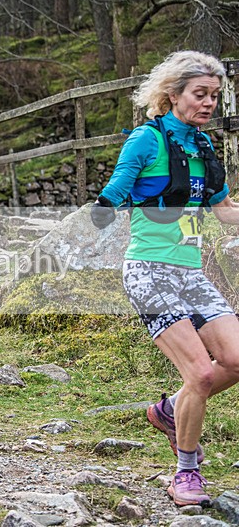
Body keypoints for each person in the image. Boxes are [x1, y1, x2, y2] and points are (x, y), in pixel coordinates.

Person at [91, 50, 239, 507]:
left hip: (190, 273)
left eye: (215, 96)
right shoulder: (146, 139)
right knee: (198, 373)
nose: (209, 103)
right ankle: (186, 473)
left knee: (235, 360)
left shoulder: (204, 147)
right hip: (149, 274)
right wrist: (104, 208)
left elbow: (225, 212)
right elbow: (115, 190)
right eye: (200, 94)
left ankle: (170, 410)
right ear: (173, 94)